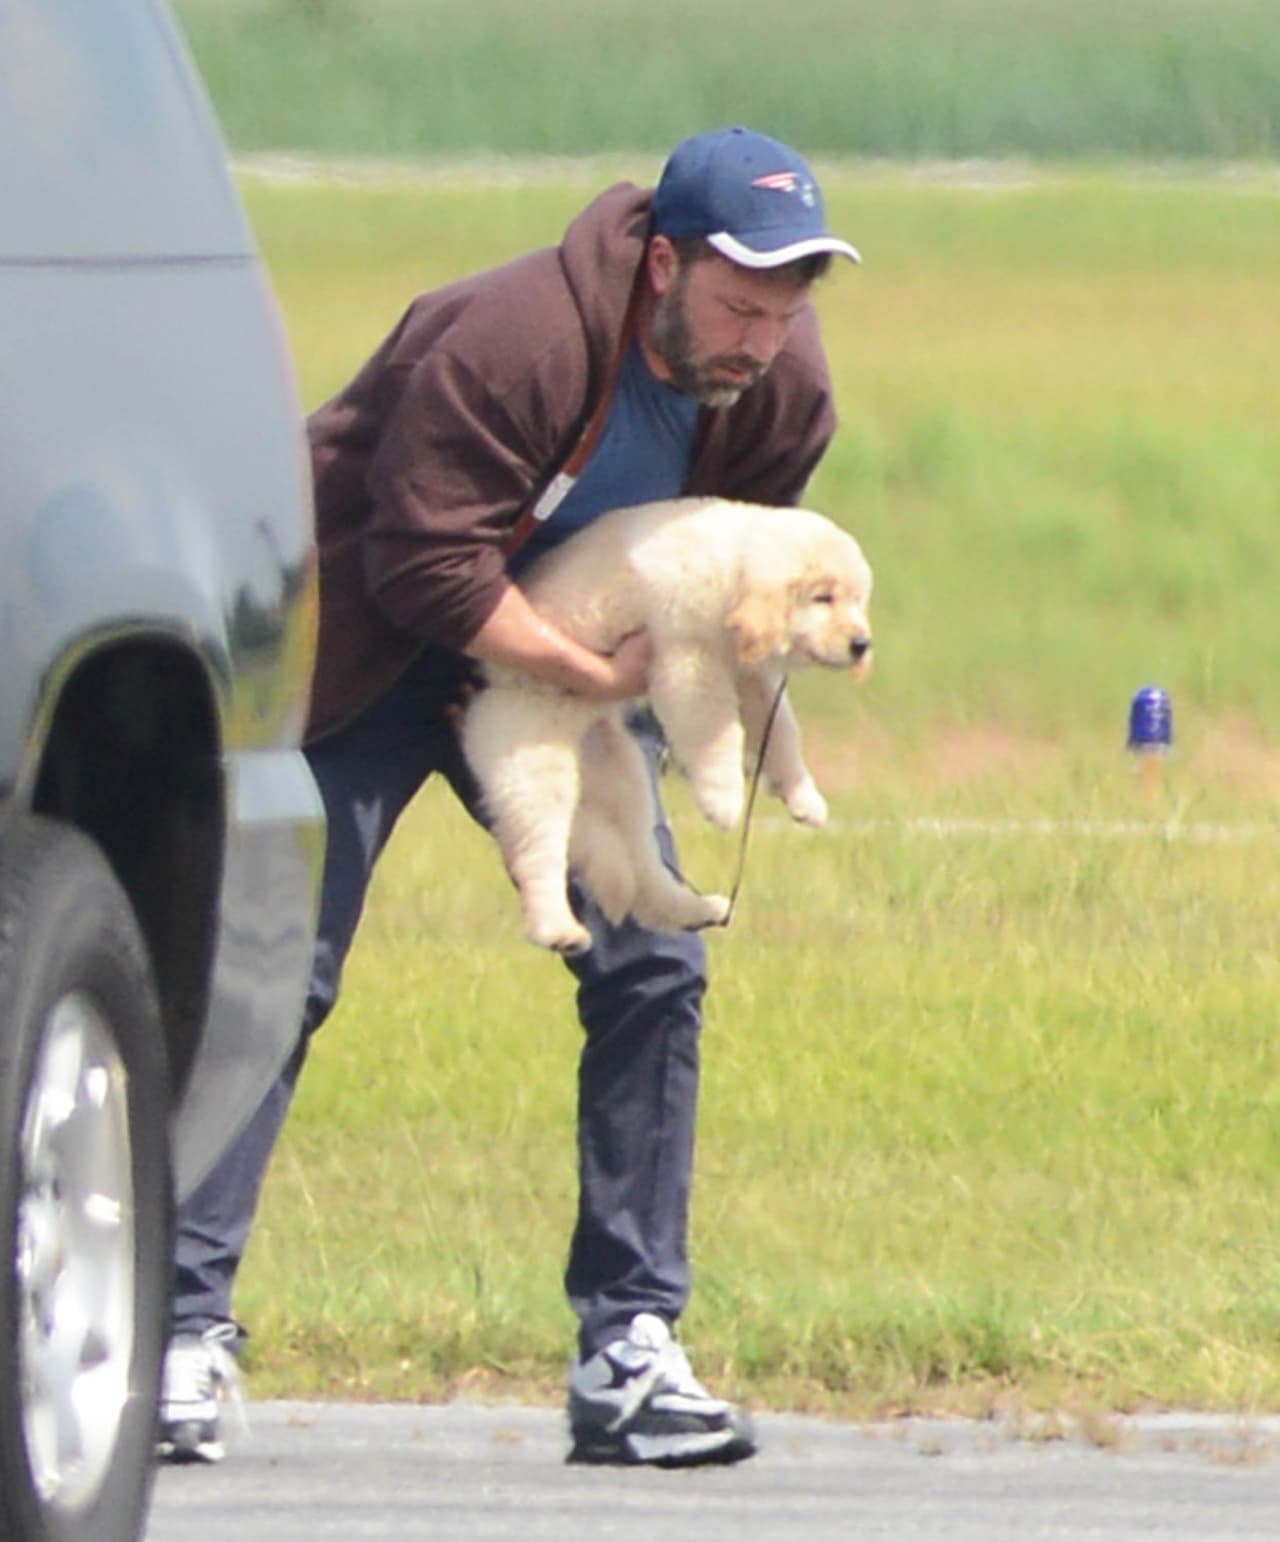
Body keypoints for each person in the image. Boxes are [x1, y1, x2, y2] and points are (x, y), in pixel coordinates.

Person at [157, 125, 860, 1469]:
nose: (764, 340)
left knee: (653, 964)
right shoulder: (513, 339)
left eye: (787, 310)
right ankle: (174, 1331)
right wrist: (595, 663)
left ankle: (628, 1351)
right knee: (271, 967)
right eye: (738, 303)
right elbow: (427, 572)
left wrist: (704, 663)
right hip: (371, 646)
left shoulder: (782, 390)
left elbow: (739, 560)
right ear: (663, 263)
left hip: (562, 683)